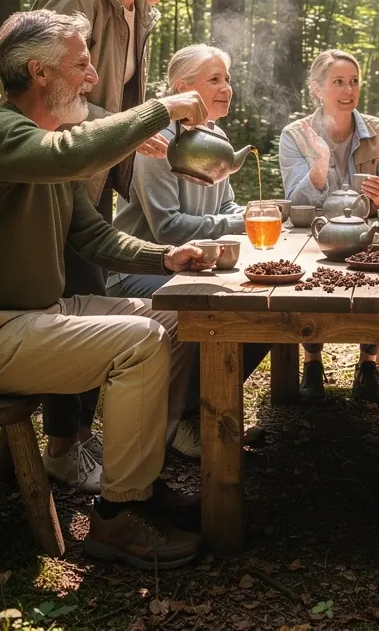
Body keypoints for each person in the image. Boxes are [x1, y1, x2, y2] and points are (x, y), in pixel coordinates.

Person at [0, 10, 215, 570]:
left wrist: (165, 256)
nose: (89, 77)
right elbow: (75, 155)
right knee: (143, 343)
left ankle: (139, 484)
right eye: (81, 65)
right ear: (38, 72)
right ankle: (115, 520)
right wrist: (161, 109)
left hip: (37, 315)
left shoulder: (48, 145)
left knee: (179, 318)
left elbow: (92, 234)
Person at [32, 0, 202, 491]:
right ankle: (60, 444)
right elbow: (50, 87)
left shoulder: (137, 12)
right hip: (56, 173)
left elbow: (115, 93)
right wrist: (127, 123)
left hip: (95, 172)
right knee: (65, 303)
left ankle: (77, 435)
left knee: (88, 293)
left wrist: (139, 131)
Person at [109, 44, 269, 458]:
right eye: (214, 79)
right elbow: (168, 228)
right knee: (217, 308)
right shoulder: (157, 143)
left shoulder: (213, 137)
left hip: (192, 265)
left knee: (267, 309)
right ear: (182, 89)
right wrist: (240, 224)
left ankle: (200, 409)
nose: (227, 88)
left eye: (228, 79)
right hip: (138, 266)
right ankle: (181, 420)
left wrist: (251, 212)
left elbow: (226, 207)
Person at [279, 49, 379, 405]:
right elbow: (297, 205)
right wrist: (319, 165)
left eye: (354, 81)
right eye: (338, 83)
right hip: (316, 234)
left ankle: (368, 365)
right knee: (303, 267)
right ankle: (312, 362)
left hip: (368, 233)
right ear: (317, 89)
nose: (349, 90)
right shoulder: (295, 134)